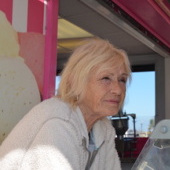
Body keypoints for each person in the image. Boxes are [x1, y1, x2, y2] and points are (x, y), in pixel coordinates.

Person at [0, 38, 131, 170]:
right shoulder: (57, 121)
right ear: (77, 81)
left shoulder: (103, 129)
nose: (118, 90)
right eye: (106, 78)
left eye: (122, 80)